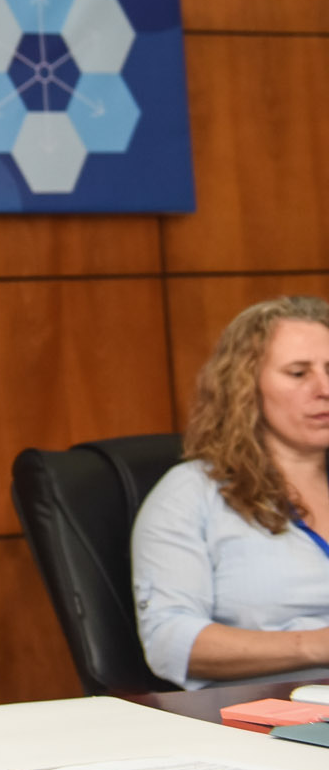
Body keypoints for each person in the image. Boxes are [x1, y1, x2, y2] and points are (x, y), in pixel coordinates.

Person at [131, 295, 329, 690]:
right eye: (298, 373)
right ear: (246, 387)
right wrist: (317, 646)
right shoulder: (190, 494)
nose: (323, 388)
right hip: (266, 710)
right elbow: (169, 641)